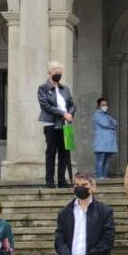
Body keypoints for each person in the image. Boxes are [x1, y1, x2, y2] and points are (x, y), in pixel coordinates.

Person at [37, 60, 75, 188]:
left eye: (60, 73)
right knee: (51, 152)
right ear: (50, 73)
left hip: (65, 124)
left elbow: (72, 104)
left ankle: (62, 180)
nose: (58, 75)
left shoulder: (65, 89)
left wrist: (70, 114)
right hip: (51, 124)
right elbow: (45, 106)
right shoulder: (43, 88)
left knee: (64, 153)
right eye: (56, 72)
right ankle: (49, 181)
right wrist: (63, 114)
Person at [92, 97, 118, 180]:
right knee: (100, 159)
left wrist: (111, 123)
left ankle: (104, 175)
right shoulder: (97, 114)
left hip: (109, 141)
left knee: (106, 160)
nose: (105, 106)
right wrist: (111, 125)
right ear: (99, 105)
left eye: (106, 105)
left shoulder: (107, 114)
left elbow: (115, 122)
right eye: (103, 105)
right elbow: (105, 124)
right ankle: (99, 176)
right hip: (101, 141)